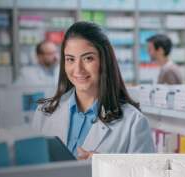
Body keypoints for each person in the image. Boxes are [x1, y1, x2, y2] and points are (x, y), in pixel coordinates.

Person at [32, 21, 155, 160]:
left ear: (104, 60)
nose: (78, 69)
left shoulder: (133, 122)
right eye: (70, 59)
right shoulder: (44, 112)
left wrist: (106, 167)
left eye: (88, 58)